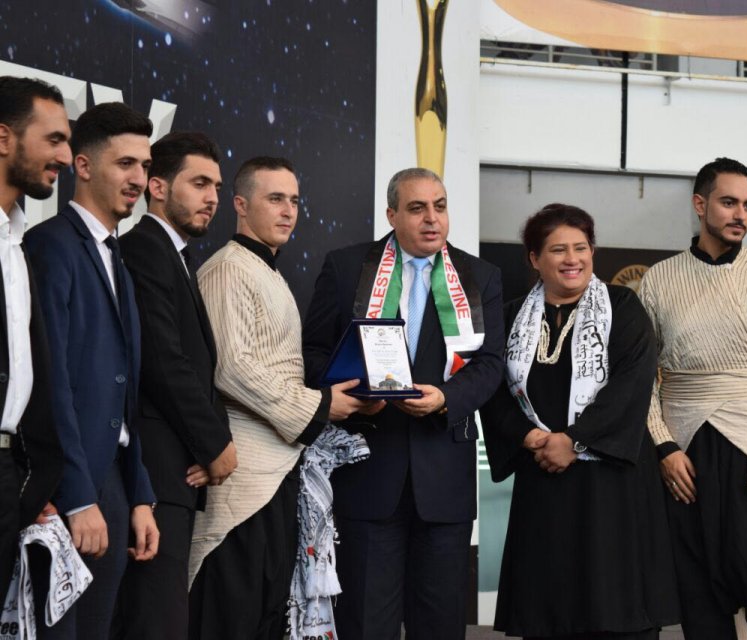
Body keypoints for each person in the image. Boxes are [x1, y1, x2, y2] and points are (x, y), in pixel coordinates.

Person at [302, 167, 505, 639]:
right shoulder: (346, 267)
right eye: (417, 208)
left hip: (445, 481)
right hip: (368, 475)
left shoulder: (480, 276)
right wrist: (354, 395)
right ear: (392, 215)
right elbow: (312, 352)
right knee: (366, 623)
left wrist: (447, 398)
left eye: (440, 206)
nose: (432, 218)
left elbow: (491, 364)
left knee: (440, 625)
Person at [479, 203, 679, 639]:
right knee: (548, 613)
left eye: (581, 247)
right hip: (543, 479)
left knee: (615, 609)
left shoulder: (623, 307)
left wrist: (573, 441)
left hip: (613, 486)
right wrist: (529, 437)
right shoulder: (511, 316)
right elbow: (490, 388)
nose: (572, 259)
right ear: (534, 258)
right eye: (558, 250)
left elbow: (632, 385)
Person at [188, 156, 367, 640]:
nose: (288, 211)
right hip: (241, 484)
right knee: (231, 620)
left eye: (294, 201)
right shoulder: (228, 268)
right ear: (240, 205)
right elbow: (233, 368)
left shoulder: (265, 270)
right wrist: (319, 405)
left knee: (266, 618)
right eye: (275, 199)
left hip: (276, 472)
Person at [639, 157, 747, 639]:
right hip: (687, 459)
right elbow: (641, 380)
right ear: (700, 205)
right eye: (729, 202)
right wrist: (663, 447)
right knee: (700, 611)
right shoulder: (658, 280)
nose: (741, 215)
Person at [23, 102, 159, 640]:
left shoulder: (115, 256)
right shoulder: (50, 246)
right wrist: (77, 493)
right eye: (125, 164)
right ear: (82, 166)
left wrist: (140, 493)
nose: (138, 179)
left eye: (145, 166)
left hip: (115, 483)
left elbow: (128, 391)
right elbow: (50, 382)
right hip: (68, 485)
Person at [112, 132, 237, 640]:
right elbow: (163, 362)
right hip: (155, 475)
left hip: (174, 476)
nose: (212, 198)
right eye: (199, 183)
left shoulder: (176, 255)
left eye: (217, 187)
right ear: (157, 187)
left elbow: (198, 365)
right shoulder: (144, 248)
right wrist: (216, 445)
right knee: (153, 623)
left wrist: (211, 446)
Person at [0, 76, 68, 594]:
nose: (65, 157)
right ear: (4, 138)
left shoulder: (17, 242)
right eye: (54, 139)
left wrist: (30, 478)